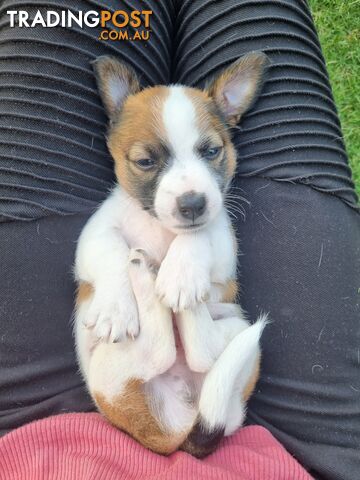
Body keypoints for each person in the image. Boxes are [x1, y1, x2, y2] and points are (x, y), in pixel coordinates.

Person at [0, 1, 358, 479]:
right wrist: (123, 276)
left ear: (227, 134)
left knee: (57, 16)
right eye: (150, 161)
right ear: (116, 144)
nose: (189, 192)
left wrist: (138, 269)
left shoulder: (146, 208)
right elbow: (109, 244)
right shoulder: (130, 206)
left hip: (49, 433)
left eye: (209, 152)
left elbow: (103, 244)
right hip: (287, 449)